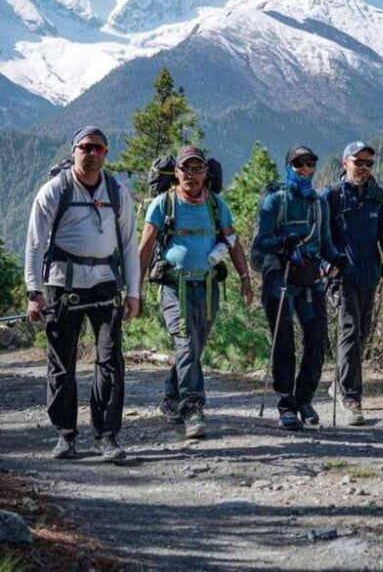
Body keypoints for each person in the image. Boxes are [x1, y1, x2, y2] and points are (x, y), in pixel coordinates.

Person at [25, 126, 140, 460]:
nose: (92, 153)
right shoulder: (53, 191)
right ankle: (66, 436)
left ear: (106, 154)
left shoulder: (117, 192)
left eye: (99, 148)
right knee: (62, 362)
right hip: (63, 284)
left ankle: (107, 437)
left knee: (110, 361)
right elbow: (34, 245)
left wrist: (134, 292)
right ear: (74, 150)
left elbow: (130, 245)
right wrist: (35, 293)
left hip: (106, 284)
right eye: (86, 147)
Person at [138, 146, 252, 439]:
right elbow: (145, 247)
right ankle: (193, 409)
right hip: (175, 287)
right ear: (176, 172)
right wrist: (133, 291)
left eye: (197, 168)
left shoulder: (216, 205)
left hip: (209, 286)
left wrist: (245, 278)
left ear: (206, 173)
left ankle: (171, 396)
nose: (191, 174)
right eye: (185, 168)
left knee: (194, 347)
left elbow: (233, 241)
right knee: (187, 343)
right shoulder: (163, 204)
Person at [253, 146, 346, 430]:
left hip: (310, 280)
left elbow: (326, 243)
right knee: (284, 345)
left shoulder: (320, 204)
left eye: (310, 164)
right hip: (280, 281)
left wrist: (337, 258)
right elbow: (260, 243)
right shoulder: (275, 202)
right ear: (288, 167)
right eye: (298, 164)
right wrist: (283, 243)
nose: (305, 169)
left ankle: (304, 398)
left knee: (317, 341)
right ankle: (286, 404)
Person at [323, 140, 383, 425]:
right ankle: (351, 399)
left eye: (368, 164)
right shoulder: (331, 197)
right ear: (345, 163)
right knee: (351, 332)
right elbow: (321, 236)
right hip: (342, 277)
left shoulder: (378, 197)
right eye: (358, 162)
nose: (364, 168)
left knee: (362, 333)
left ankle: (340, 384)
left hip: (370, 275)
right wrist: (327, 265)